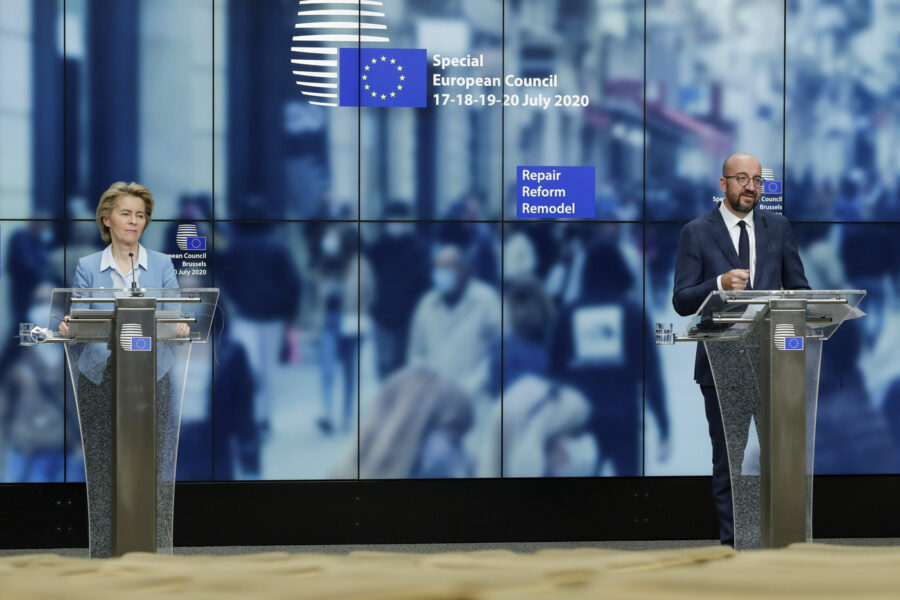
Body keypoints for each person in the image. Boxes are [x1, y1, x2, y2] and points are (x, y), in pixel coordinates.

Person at [672, 153, 810, 546]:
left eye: (758, 181)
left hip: (776, 362)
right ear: (724, 184)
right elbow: (681, 299)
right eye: (742, 179)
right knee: (729, 464)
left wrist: (793, 304)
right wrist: (717, 282)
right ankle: (733, 549)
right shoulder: (697, 232)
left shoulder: (778, 227)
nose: (751, 187)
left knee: (779, 463)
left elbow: (800, 289)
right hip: (722, 364)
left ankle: (780, 544)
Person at [58, 181, 188, 557]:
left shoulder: (161, 264)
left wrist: (178, 325)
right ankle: (104, 552)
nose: (134, 221)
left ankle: (152, 550)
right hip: (99, 376)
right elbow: (82, 321)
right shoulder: (87, 267)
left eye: (141, 215)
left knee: (151, 465)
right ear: (107, 219)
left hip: (152, 377)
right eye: (126, 214)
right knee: (102, 467)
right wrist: (71, 326)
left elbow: (173, 317)